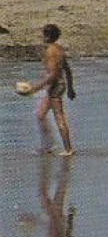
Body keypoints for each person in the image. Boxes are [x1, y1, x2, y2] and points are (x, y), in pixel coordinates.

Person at [21, 25, 74, 156]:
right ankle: (47, 146)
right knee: (40, 114)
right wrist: (70, 88)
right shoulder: (59, 49)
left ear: (47, 36)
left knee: (59, 117)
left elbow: (53, 75)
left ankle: (68, 150)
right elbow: (67, 70)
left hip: (55, 87)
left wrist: (35, 88)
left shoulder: (50, 51)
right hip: (58, 86)